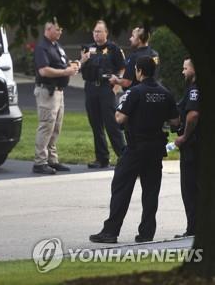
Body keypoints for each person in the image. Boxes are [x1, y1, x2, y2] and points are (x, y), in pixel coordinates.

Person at [89, 56, 179, 243]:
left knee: (121, 187)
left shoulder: (135, 92)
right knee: (151, 191)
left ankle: (111, 232)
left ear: (138, 71)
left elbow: (120, 118)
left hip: (136, 147)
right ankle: (146, 233)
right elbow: (175, 122)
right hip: (156, 148)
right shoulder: (166, 93)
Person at [32, 21, 79, 174]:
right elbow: (44, 71)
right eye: (57, 29)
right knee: (46, 126)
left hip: (59, 92)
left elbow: (61, 64)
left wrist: (73, 66)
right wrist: (66, 72)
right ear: (48, 29)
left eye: (61, 29)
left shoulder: (56, 46)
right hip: (47, 92)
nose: (60, 32)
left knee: (55, 128)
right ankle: (40, 162)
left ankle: (52, 160)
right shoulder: (42, 48)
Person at [80, 20, 126, 169]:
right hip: (91, 88)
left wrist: (116, 86)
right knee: (96, 125)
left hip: (107, 88)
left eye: (99, 31)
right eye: (94, 31)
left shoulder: (114, 48)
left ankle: (123, 156)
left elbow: (122, 68)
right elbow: (81, 67)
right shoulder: (88, 48)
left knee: (112, 124)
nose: (96, 34)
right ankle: (101, 158)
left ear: (106, 33)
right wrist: (83, 59)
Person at [174, 57, 200, 238]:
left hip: (193, 147)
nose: (183, 72)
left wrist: (184, 136)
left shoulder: (195, 89)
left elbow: (193, 115)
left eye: (185, 68)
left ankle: (193, 229)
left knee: (190, 189)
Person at [110, 26, 159, 90]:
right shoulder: (155, 54)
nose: (130, 39)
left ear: (139, 40)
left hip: (136, 95)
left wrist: (115, 80)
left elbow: (126, 82)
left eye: (133, 36)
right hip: (151, 93)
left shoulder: (135, 56)